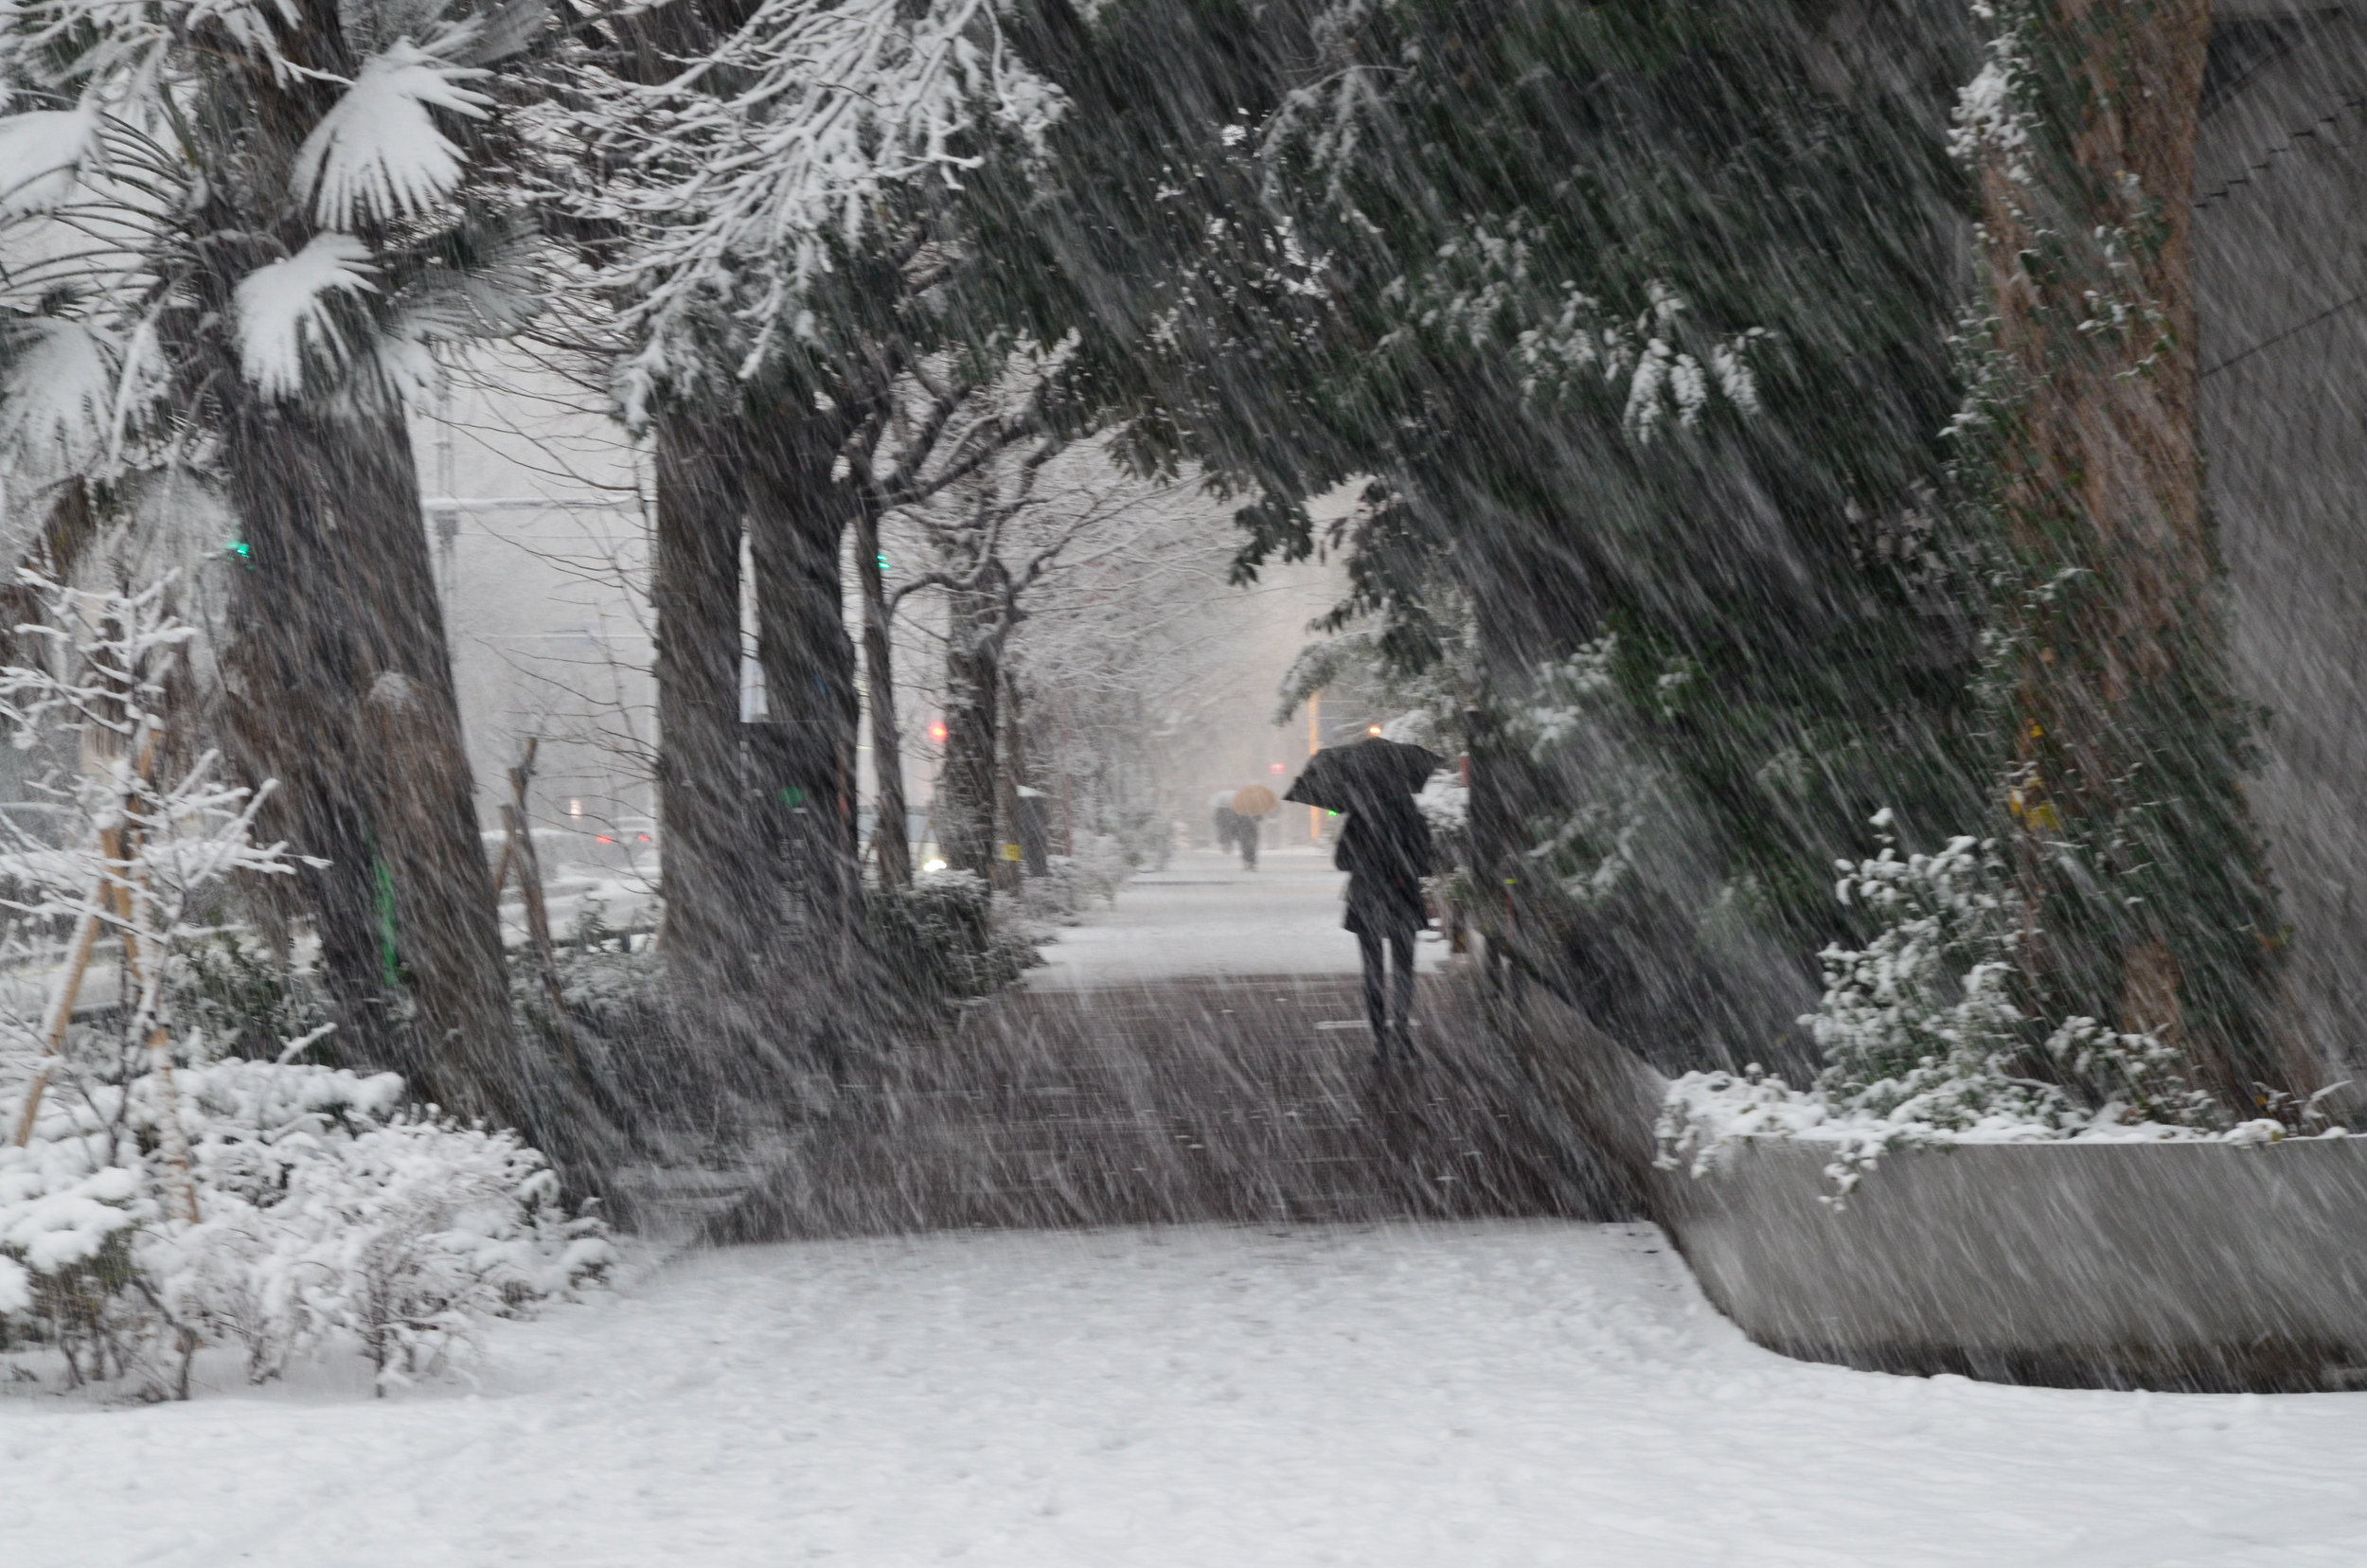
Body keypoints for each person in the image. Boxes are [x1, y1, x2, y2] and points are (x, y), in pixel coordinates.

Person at [1335, 792, 1433, 1067]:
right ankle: (1401, 1032)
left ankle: (1379, 1040)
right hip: (1403, 902)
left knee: (1373, 972)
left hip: (1368, 902)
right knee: (1403, 970)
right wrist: (1401, 872)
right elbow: (1427, 861)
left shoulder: (1358, 819)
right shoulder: (1413, 818)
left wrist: (1368, 866)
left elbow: (1341, 860)